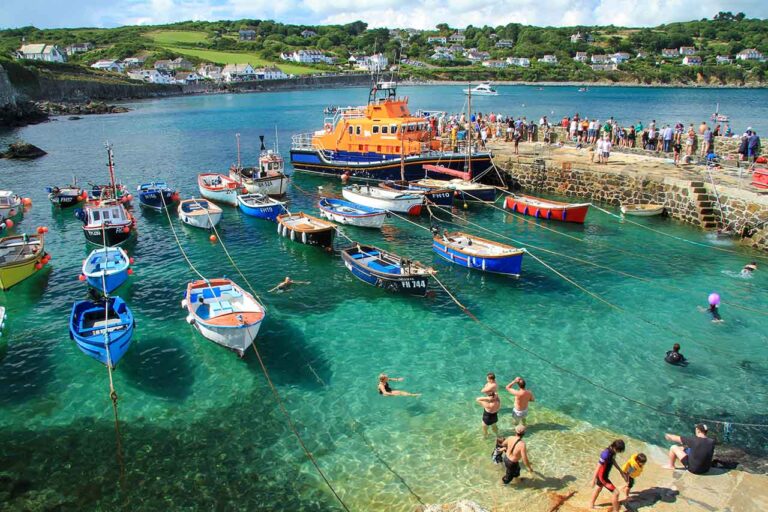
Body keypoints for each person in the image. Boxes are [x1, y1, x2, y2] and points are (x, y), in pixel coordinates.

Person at [589, 439, 626, 512]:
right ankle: (616, 510)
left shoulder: (612, 451)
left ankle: (591, 505)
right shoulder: (605, 454)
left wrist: (620, 471)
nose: (618, 452)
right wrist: (593, 480)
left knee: (598, 488)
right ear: (615, 447)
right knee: (616, 493)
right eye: (619, 450)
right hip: (602, 477)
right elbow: (598, 467)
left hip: (603, 475)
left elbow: (613, 460)